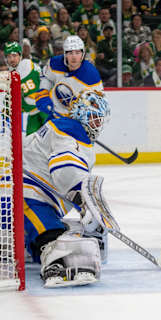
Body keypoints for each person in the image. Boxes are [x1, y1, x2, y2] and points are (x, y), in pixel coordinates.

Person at [23, 90, 111, 288]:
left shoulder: (63, 126)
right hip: (28, 192)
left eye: (100, 120)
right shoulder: (71, 130)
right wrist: (83, 199)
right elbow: (65, 169)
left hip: (38, 192)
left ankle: (40, 245)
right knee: (47, 230)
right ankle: (54, 260)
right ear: (83, 116)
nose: (98, 124)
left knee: (58, 227)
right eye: (95, 119)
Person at [35, 35, 103, 119]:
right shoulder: (55, 63)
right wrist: (43, 92)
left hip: (78, 121)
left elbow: (99, 102)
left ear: (83, 54)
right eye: (70, 53)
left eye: (77, 52)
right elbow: (47, 77)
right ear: (65, 54)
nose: (74, 57)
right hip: (55, 115)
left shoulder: (91, 74)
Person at [4, 41, 48, 135]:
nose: (12, 59)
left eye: (14, 55)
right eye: (9, 56)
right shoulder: (10, 76)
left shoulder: (27, 65)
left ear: (20, 55)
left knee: (54, 135)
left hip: (45, 109)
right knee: (31, 140)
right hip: (32, 114)